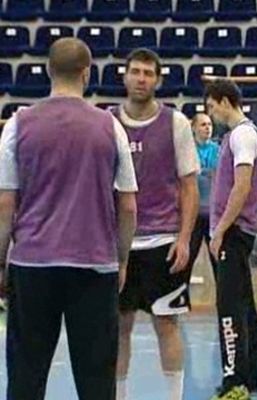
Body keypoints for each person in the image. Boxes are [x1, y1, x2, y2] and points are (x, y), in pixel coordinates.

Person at [0, 38, 138, 400]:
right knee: (96, 383)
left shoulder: (17, 125)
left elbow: (4, 203)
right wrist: (121, 258)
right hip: (94, 266)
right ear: (87, 73)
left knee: (26, 377)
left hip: (32, 264)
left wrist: (1, 262)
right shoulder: (112, 127)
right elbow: (128, 205)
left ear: (48, 70)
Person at [113, 48, 200, 400]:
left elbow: (189, 187)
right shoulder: (108, 122)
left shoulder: (175, 122)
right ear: (125, 76)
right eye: (135, 71)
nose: (141, 78)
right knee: (119, 328)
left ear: (158, 80)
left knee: (167, 324)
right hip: (119, 245)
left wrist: (184, 239)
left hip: (163, 241)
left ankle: (174, 396)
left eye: (148, 73)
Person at [204, 78, 257, 400]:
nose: (210, 115)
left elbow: (241, 187)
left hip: (234, 232)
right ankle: (248, 377)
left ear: (224, 101)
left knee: (229, 307)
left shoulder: (242, 135)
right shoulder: (235, 136)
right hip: (237, 231)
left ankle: (234, 380)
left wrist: (220, 230)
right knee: (243, 304)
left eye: (211, 107)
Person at [189, 112, 220, 275]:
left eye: (210, 124)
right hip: (192, 214)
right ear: (193, 128)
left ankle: (224, 299)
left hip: (213, 214)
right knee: (188, 259)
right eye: (203, 124)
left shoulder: (218, 150)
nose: (207, 128)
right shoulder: (187, 150)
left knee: (218, 260)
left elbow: (219, 177)